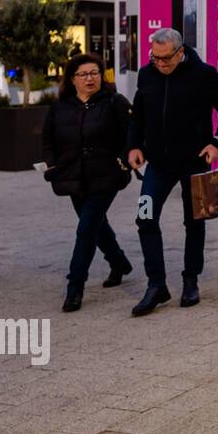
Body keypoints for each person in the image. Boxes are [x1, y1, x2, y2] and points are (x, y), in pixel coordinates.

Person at [127, 28, 218, 316]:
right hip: (158, 164)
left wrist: (217, 144)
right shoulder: (146, 74)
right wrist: (133, 146)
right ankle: (156, 285)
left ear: (180, 52)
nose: (161, 64)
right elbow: (138, 115)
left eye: (166, 59)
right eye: (156, 58)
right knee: (145, 218)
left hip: (193, 162)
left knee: (194, 222)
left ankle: (191, 279)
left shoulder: (203, 74)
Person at [41, 54, 134, 313]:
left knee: (86, 229)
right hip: (73, 176)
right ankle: (118, 261)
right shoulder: (60, 107)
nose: (90, 78)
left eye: (94, 73)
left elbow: (132, 133)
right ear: (72, 79)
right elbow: (48, 139)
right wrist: (51, 163)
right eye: (83, 74)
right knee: (96, 225)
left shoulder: (114, 101)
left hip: (106, 175)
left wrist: (123, 161)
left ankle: (75, 287)